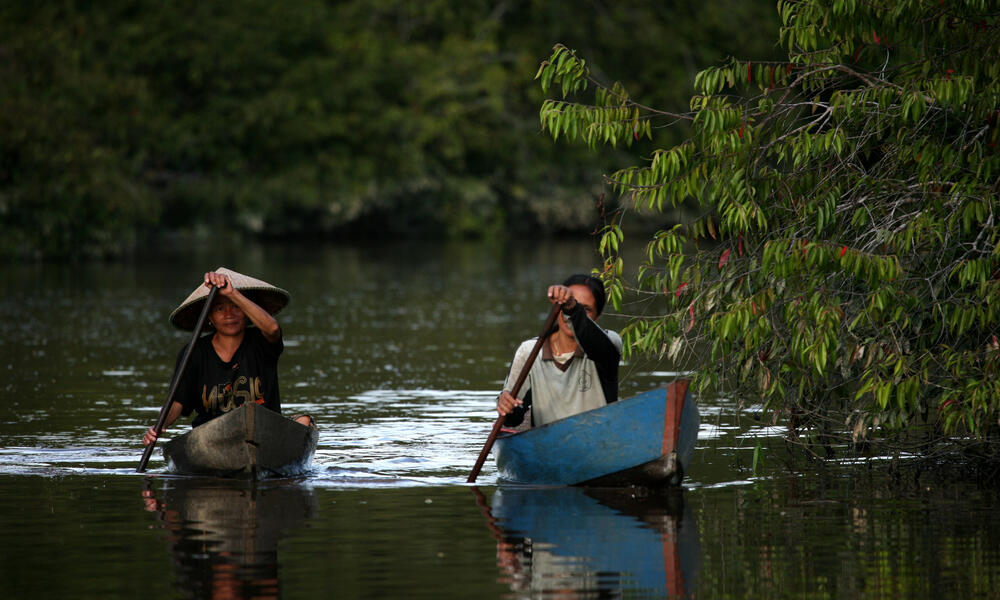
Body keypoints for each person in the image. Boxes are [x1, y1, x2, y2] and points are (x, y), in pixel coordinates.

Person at [142, 268, 311, 448]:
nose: (229, 315)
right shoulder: (194, 352)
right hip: (213, 438)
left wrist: (232, 293)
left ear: (246, 312)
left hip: (264, 434)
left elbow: (273, 330)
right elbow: (177, 401)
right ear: (210, 318)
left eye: (236, 307)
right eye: (220, 308)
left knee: (304, 421)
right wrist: (160, 425)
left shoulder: (260, 341)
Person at [496, 274, 622, 428]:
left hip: (599, 441)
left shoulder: (610, 342)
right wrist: (506, 406)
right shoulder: (529, 351)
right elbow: (512, 419)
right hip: (546, 445)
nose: (569, 316)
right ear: (556, 308)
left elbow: (599, 347)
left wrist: (573, 309)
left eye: (586, 309)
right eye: (565, 307)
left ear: (597, 317)